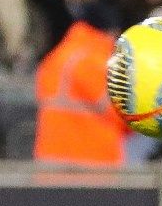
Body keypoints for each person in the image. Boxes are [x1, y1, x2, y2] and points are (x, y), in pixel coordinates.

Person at [32, 17, 126, 165]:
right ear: (112, 32)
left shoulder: (54, 58)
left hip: (50, 163)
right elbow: (125, 116)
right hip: (92, 163)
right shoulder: (95, 63)